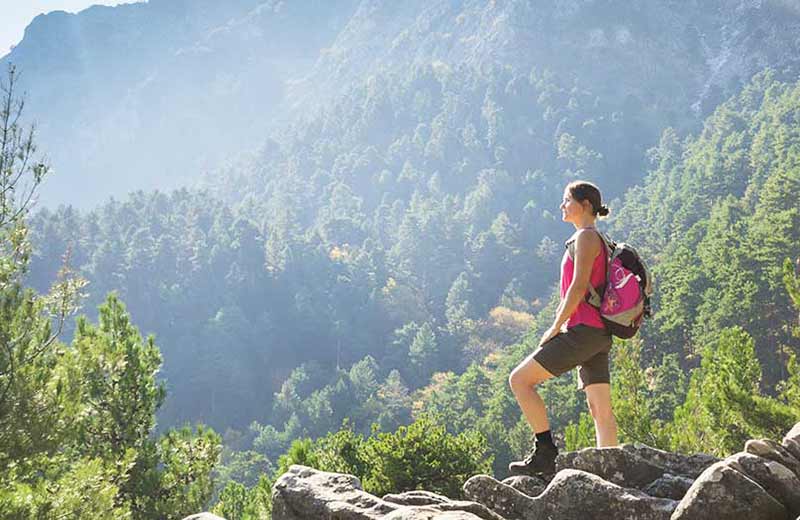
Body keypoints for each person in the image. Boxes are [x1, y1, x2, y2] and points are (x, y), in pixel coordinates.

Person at [507, 180, 616, 476]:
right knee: (600, 409)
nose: (562, 206)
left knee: (519, 380)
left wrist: (555, 326)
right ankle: (610, 471)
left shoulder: (585, 238)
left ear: (585, 205)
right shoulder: (600, 240)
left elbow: (578, 287)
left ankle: (545, 451)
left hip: (581, 330)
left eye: (566, 200)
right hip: (599, 334)